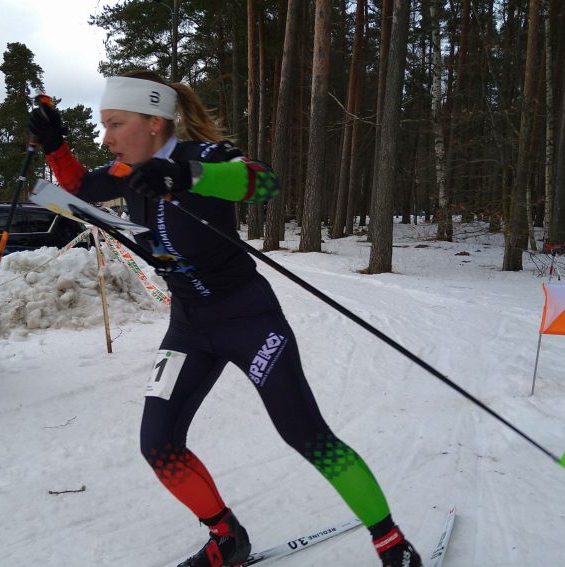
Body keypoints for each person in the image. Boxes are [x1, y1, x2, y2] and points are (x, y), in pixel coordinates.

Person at [28, 71, 421, 567]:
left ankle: (392, 544)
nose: (106, 137)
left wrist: (186, 177)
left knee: (305, 433)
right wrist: (56, 144)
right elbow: (80, 187)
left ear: (153, 123)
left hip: (249, 320)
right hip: (189, 328)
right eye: (104, 125)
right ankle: (226, 535)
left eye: (115, 123)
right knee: (159, 444)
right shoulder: (128, 172)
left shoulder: (203, 158)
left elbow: (263, 182)